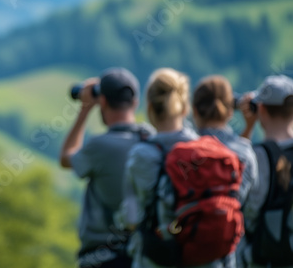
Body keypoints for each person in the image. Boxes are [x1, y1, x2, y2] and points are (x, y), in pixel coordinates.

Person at [60, 67, 155, 268]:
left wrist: (84, 109)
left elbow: (66, 157)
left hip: (102, 258)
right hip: (144, 255)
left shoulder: (99, 146)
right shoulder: (151, 142)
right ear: (135, 103)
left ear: (102, 101)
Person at [124, 67, 200, 267]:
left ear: (149, 107)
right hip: (200, 255)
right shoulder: (202, 150)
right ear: (185, 108)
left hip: (155, 257)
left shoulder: (141, 154)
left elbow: (130, 216)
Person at [238, 75, 293, 267]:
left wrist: (248, 127)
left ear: (260, 109)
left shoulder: (258, 156)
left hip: (265, 258)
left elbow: (247, 212)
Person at [192, 75, 258, 206]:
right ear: (230, 112)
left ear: (194, 111)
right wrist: (249, 127)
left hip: (191, 224)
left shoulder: (185, 149)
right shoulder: (244, 152)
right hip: (231, 225)